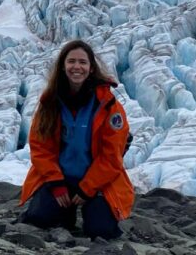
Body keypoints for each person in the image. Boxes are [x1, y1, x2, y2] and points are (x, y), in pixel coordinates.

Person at [19, 39, 134, 239]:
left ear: (91, 69)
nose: (76, 67)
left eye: (82, 62)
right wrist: (55, 182)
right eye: (71, 61)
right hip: (61, 178)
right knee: (39, 218)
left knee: (101, 231)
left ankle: (87, 208)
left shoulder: (108, 105)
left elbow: (112, 156)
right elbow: (40, 147)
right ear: (63, 67)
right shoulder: (50, 102)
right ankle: (65, 211)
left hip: (98, 182)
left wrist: (87, 188)